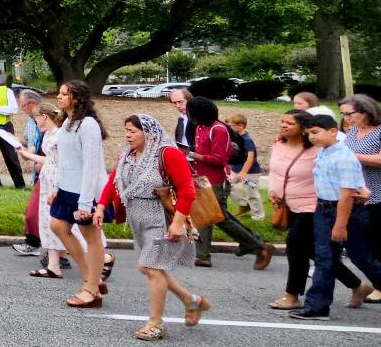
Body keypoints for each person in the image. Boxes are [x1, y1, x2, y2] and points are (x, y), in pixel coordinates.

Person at [96, 114, 208, 340]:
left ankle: (156, 324)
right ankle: (191, 301)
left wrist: (177, 224)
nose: (128, 135)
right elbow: (114, 180)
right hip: (138, 218)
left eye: (133, 131)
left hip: (160, 218)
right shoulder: (127, 154)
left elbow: (187, 190)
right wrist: (101, 205)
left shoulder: (167, 153)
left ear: (148, 132)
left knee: (153, 269)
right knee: (146, 268)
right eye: (126, 130)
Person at [290, 113, 381, 324]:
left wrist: (339, 225)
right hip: (324, 208)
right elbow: (355, 183)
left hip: (346, 213)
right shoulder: (324, 152)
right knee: (324, 259)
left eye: (316, 132)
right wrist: (364, 189)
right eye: (309, 133)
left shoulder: (344, 156)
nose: (312, 137)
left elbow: (346, 195)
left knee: (363, 259)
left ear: (332, 132)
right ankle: (317, 306)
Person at [267, 109, 373, 311]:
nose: (283, 125)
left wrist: (363, 189)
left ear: (303, 128)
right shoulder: (279, 144)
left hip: (313, 205)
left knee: (295, 245)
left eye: (289, 123)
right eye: (282, 121)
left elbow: (345, 172)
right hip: (289, 204)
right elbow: (276, 170)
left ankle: (292, 295)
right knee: (313, 251)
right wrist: (274, 190)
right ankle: (358, 285)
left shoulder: (318, 147)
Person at [187, 96, 273, 268]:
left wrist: (192, 155)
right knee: (205, 216)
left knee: (219, 218)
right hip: (202, 180)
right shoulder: (200, 127)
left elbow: (219, 159)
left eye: (192, 112)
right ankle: (202, 256)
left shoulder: (218, 129)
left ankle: (259, 246)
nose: (190, 116)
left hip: (215, 181)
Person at [51, 80, 108, 308]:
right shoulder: (67, 122)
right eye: (60, 93)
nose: (59, 96)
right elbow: (65, 160)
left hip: (86, 192)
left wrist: (85, 202)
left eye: (65, 94)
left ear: (76, 98)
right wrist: (57, 187)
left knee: (91, 237)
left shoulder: (88, 125)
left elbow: (91, 165)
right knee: (58, 226)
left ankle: (91, 290)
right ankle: (93, 277)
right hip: (67, 188)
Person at [17, 104, 82, 279]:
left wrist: (58, 186)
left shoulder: (61, 134)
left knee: (65, 221)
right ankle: (53, 265)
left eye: (36, 118)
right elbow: (47, 159)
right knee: (47, 220)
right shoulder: (48, 134)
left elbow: (63, 161)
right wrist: (25, 153)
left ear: (44, 117)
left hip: (58, 179)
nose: (35, 122)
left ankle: (100, 257)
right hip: (47, 177)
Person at [340, 94, 381, 285]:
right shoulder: (353, 132)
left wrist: (352, 155)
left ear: (365, 111)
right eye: (343, 114)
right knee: (366, 248)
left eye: (349, 114)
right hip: (358, 197)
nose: (346, 119)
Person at [13, 91, 46, 256]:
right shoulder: (31, 122)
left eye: (23, 105)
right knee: (38, 210)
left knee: (35, 210)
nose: (21, 108)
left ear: (32, 104)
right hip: (38, 172)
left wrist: (36, 158)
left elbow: (44, 147)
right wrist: (17, 142)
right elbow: (30, 142)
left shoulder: (46, 121)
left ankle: (34, 243)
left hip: (47, 173)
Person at [227, 113, 266, 221]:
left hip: (251, 173)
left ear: (241, 126)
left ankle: (259, 215)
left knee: (252, 192)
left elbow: (250, 157)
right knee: (227, 186)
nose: (231, 127)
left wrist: (243, 173)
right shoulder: (236, 138)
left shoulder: (247, 140)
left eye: (233, 125)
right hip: (236, 170)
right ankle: (244, 204)